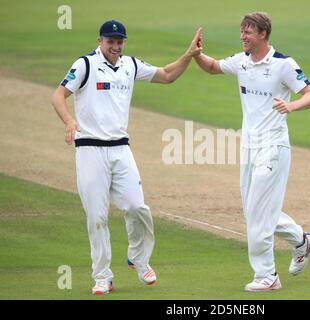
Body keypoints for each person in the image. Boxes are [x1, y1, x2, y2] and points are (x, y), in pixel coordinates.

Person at [51, 20, 202, 294]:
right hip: (89, 149)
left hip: (121, 149)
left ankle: (139, 259)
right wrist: (69, 121)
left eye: (119, 42)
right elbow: (58, 95)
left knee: (137, 208)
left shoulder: (129, 65)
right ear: (100, 41)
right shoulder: (85, 65)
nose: (115, 46)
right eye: (110, 41)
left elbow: (167, 75)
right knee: (97, 217)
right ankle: (102, 277)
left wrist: (189, 55)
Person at [194, 12, 310, 292]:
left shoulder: (283, 64)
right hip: (249, 146)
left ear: (263, 34)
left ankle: (267, 275)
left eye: (248, 32)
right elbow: (214, 67)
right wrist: (196, 54)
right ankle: (302, 239)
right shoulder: (241, 61)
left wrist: (291, 106)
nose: (242, 36)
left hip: (273, 146)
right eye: (241, 31)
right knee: (255, 211)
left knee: (258, 213)